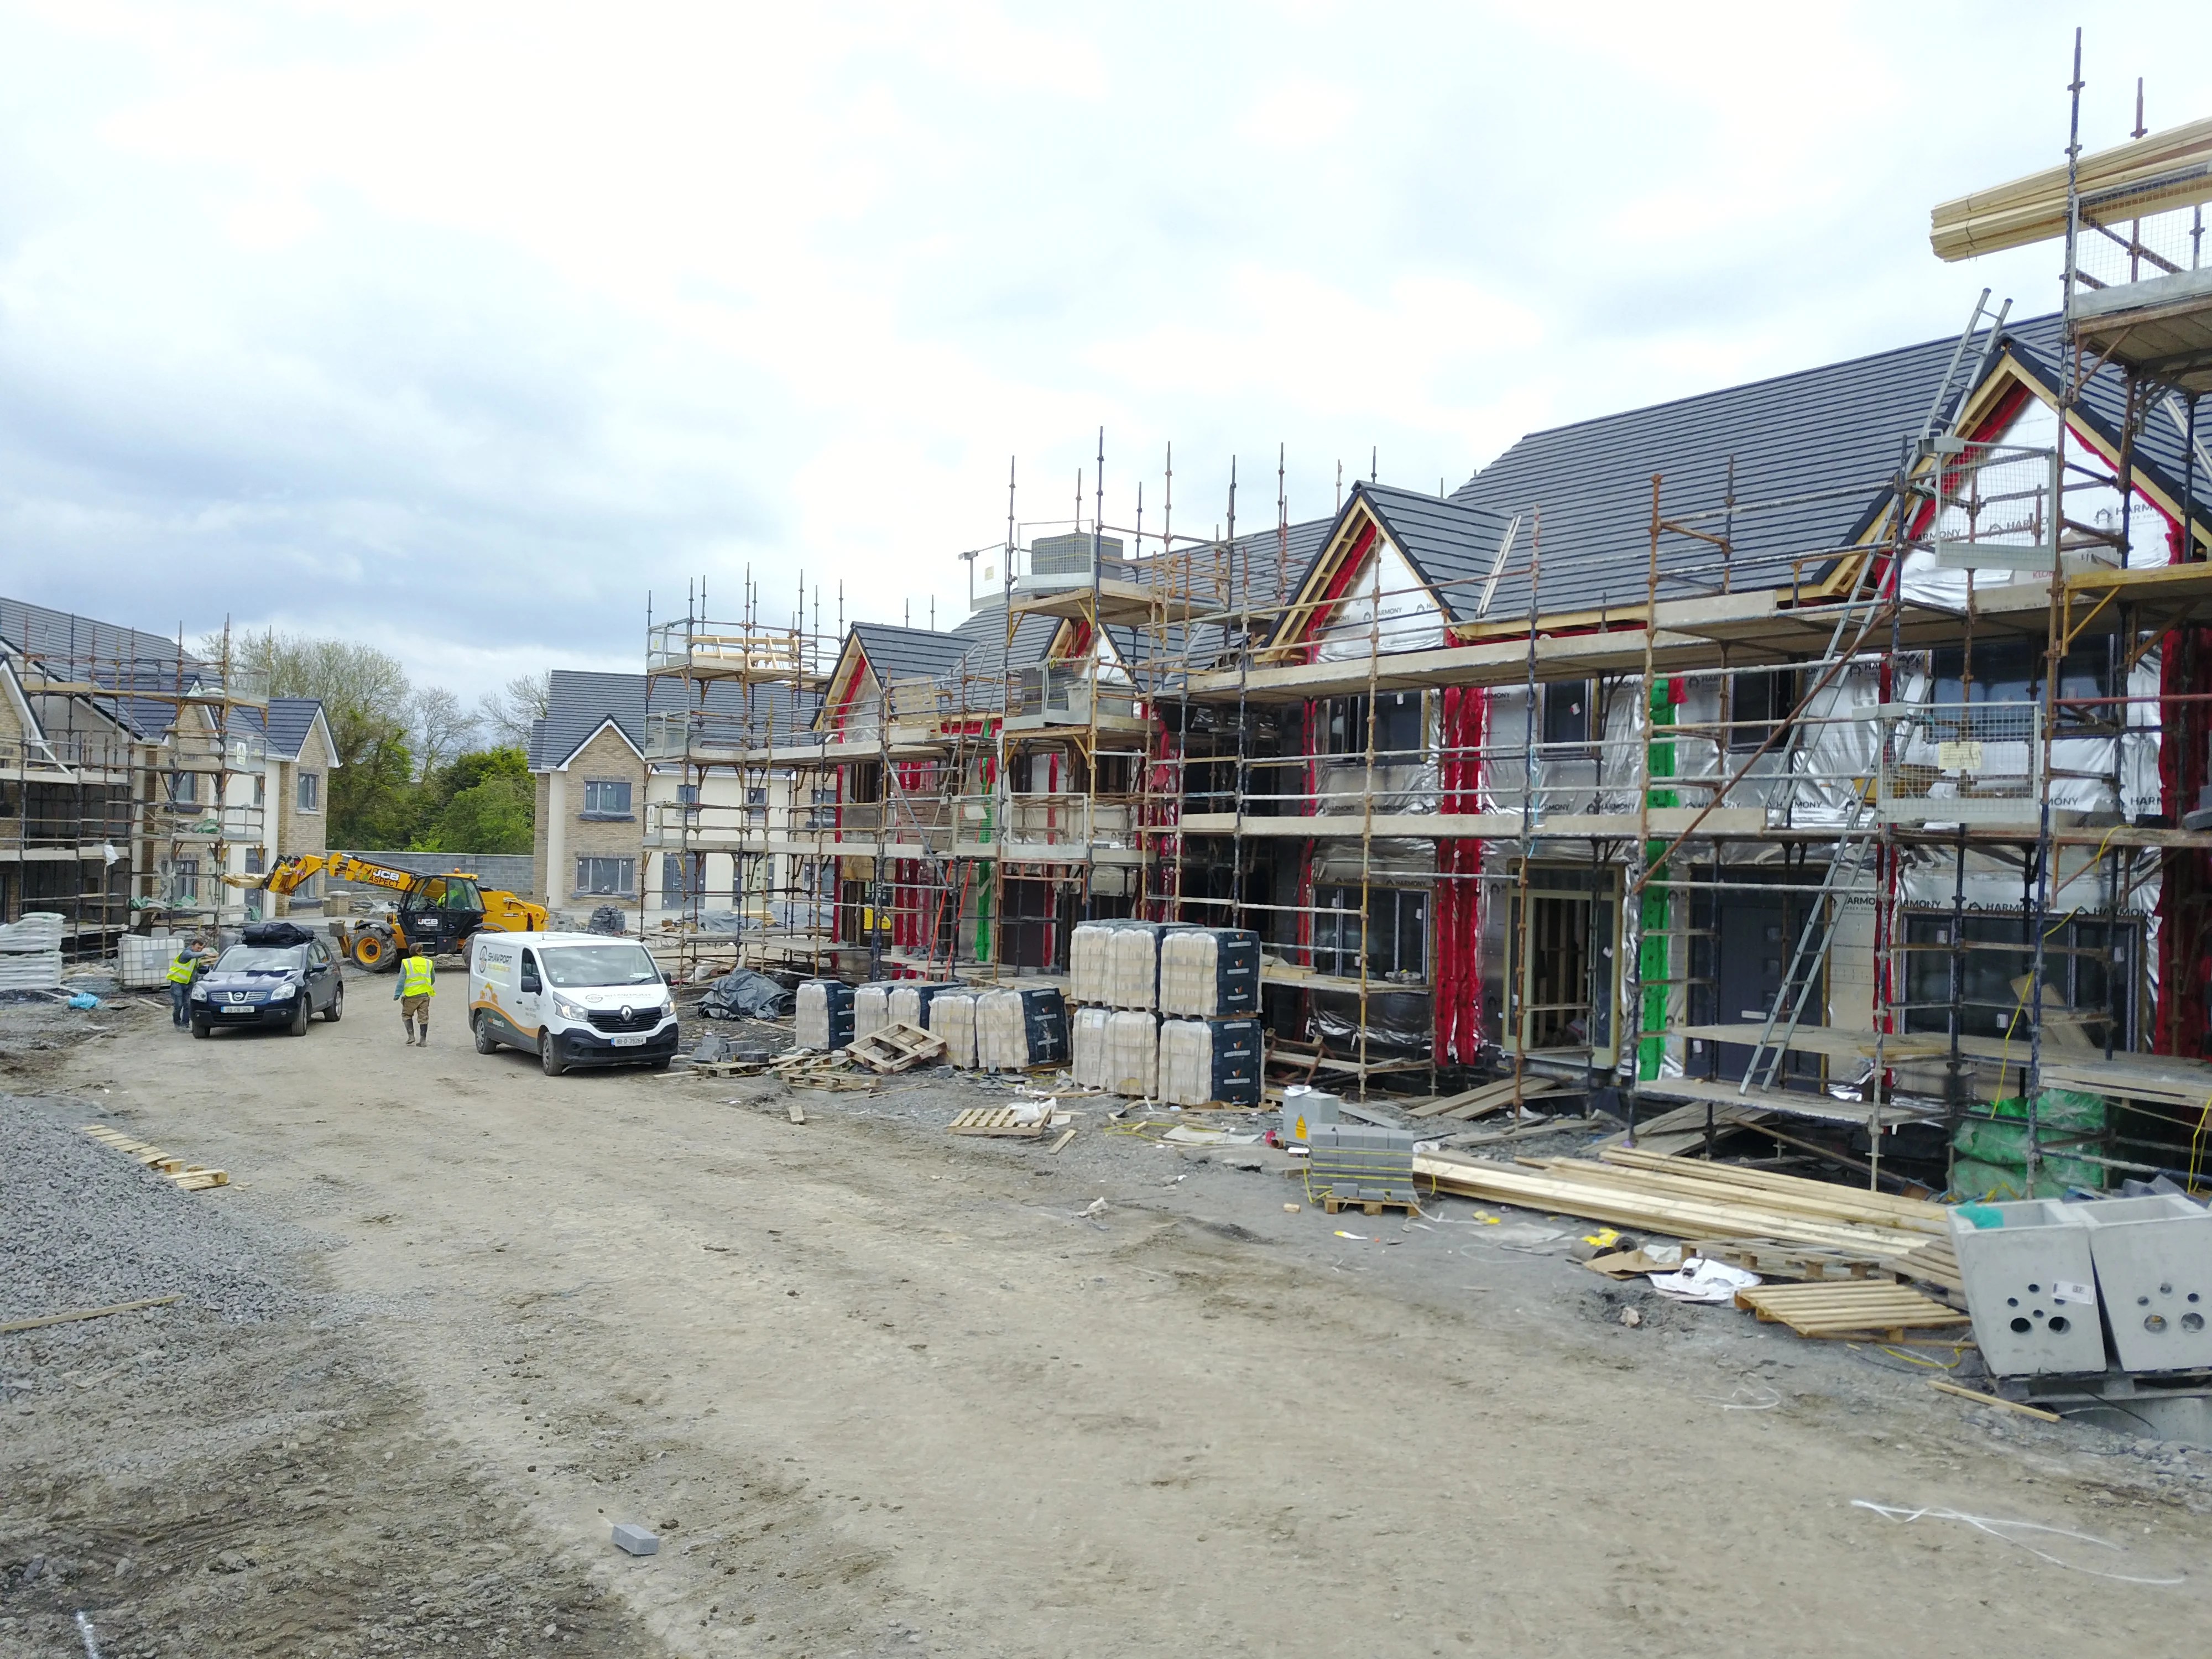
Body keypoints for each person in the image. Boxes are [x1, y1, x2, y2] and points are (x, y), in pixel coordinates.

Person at [394, 942, 436, 1045]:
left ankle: (411, 1037)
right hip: (424, 996)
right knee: (424, 1018)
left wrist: (397, 994)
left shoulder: (406, 963)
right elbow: (433, 979)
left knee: (407, 1015)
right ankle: (423, 1040)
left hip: (411, 996)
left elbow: (401, 980)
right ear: (421, 951)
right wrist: (424, 986)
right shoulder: (429, 963)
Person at [165, 936, 205, 1029]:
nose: (199, 950)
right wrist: (206, 954)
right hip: (177, 983)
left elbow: (195, 970)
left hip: (189, 984)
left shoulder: (196, 957)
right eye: (198, 948)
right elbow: (192, 955)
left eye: (201, 948)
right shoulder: (187, 953)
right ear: (192, 946)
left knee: (188, 1005)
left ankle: (185, 1024)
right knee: (178, 1005)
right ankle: (177, 1023)